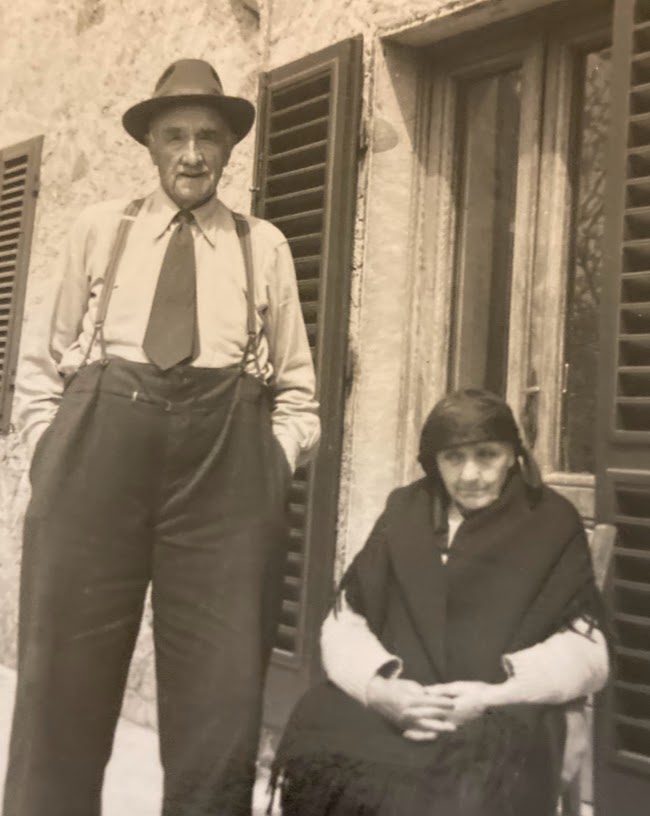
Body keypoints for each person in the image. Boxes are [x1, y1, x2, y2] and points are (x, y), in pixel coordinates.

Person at [4, 59, 319, 816]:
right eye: (174, 134)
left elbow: (300, 390)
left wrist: (271, 462)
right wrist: (50, 451)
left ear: (229, 149)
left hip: (224, 476)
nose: (191, 153)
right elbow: (39, 364)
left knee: (222, 696)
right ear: (149, 143)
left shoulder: (262, 243)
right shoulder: (100, 230)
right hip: (96, 464)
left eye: (208, 137)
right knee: (61, 687)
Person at [272, 390, 608, 816]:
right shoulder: (405, 512)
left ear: (513, 456)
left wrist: (495, 695)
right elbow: (346, 621)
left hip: (500, 709)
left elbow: (587, 650)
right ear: (435, 462)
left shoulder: (551, 520)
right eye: (454, 458)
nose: (470, 474)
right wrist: (379, 690)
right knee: (320, 732)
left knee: (462, 787)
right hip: (406, 697)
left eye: (487, 455)